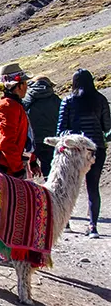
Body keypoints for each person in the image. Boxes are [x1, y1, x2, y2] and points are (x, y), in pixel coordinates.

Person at [57, 69, 110, 239]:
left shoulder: (68, 101)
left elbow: (61, 130)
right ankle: (93, 227)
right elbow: (108, 128)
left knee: (69, 186)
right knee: (93, 187)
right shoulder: (101, 100)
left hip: (75, 151)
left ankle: (65, 223)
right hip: (96, 149)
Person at [0, 63, 42, 180]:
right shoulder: (8, 106)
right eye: (25, 83)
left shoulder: (15, 105)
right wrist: (17, 169)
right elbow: (7, 142)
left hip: (15, 164)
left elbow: (25, 137)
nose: (27, 87)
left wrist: (32, 161)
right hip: (8, 168)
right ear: (19, 86)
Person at [22, 76, 62, 179]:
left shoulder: (27, 100)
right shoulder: (55, 100)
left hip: (33, 142)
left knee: (32, 169)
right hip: (52, 140)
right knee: (51, 167)